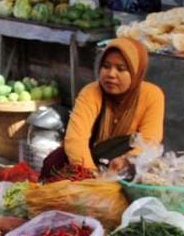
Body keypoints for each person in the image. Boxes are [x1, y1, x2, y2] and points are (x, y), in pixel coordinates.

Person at [42, 37, 164, 177]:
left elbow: (150, 141)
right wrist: (91, 174)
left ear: (136, 72)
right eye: (106, 66)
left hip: (126, 166)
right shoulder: (91, 92)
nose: (111, 74)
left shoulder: (152, 95)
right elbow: (76, 139)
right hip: (89, 160)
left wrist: (126, 162)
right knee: (54, 163)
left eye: (121, 69)